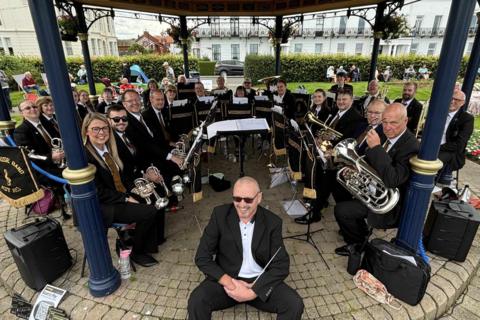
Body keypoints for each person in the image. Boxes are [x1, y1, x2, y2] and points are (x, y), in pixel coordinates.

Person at [188, 177, 304, 320]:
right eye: (237, 199)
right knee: (196, 301)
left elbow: (281, 265)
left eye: (248, 200)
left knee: (294, 304)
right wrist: (229, 282)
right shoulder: (219, 215)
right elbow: (202, 257)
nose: (242, 205)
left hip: (259, 282)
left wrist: (254, 291)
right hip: (228, 280)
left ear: (259, 197)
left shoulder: (273, 222)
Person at [333, 103, 419, 255]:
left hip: (388, 203)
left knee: (341, 210)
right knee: (338, 187)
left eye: (393, 122)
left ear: (405, 121)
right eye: (384, 122)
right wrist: (356, 168)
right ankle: (359, 230)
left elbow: (393, 180)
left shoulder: (411, 145)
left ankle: (358, 244)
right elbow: (371, 162)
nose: (387, 127)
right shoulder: (387, 134)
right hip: (373, 187)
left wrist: (376, 148)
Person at [82, 113, 162, 267]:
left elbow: (122, 175)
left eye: (105, 128)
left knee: (154, 197)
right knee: (149, 211)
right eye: (95, 129)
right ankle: (136, 252)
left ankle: (136, 240)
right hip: (103, 205)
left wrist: (136, 189)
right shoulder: (86, 156)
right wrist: (126, 198)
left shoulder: (110, 148)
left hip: (118, 193)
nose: (101, 132)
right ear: (86, 131)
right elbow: (98, 191)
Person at [295, 90, 363, 225]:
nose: (341, 102)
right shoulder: (336, 112)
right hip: (329, 156)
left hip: (339, 160)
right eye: (339, 99)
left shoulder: (355, 118)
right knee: (326, 186)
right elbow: (328, 131)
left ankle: (353, 224)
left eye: (344, 99)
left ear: (351, 101)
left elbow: (348, 139)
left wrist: (328, 145)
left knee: (338, 193)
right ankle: (316, 212)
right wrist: (320, 138)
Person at [437, 89, 474, 186]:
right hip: (434, 147)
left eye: (457, 100)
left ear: (462, 103)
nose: (452, 101)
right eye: (451, 98)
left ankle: (429, 185)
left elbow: (459, 145)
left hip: (451, 152)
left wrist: (437, 147)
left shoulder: (466, 118)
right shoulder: (439, 113)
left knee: (429, 161)